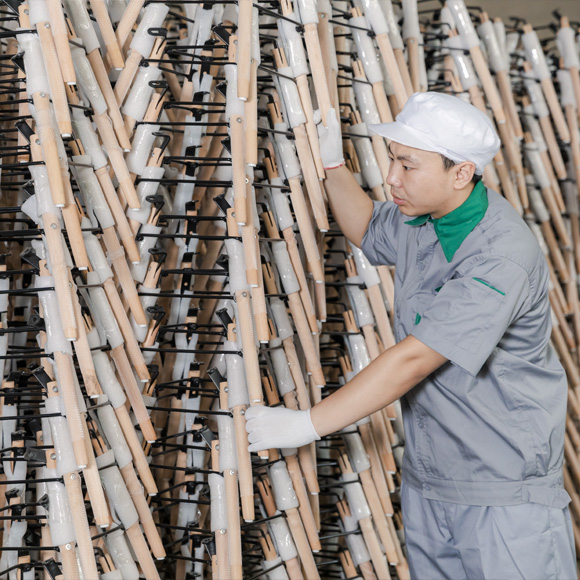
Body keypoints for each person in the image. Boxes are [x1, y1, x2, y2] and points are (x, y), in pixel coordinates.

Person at [246, 92, 577, 579]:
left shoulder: (500, 255)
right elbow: (367, 227)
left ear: (461, 172)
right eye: (393, 160)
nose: (392, 178)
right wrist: (335, 167)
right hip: (432, 479)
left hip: (502, 489)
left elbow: (414, 360)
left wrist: (308, 424)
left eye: (409, 164)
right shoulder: (424, 219)